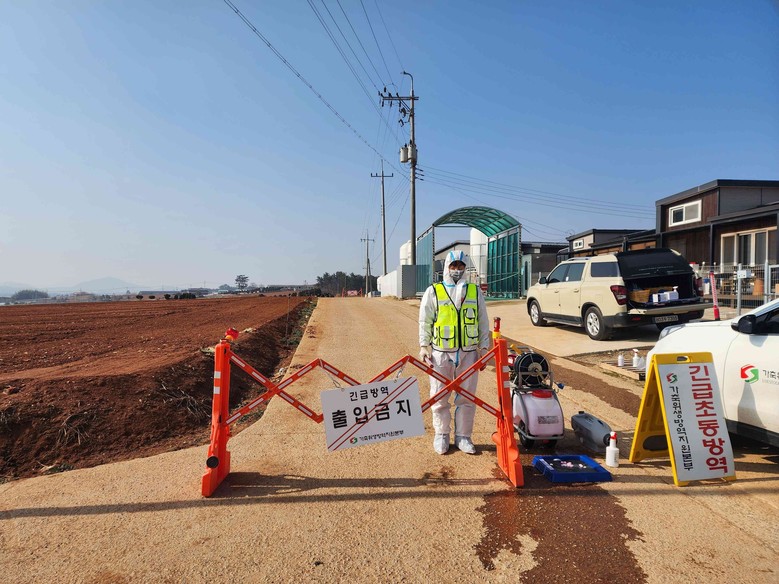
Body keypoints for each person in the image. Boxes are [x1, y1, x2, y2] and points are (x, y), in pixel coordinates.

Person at [418, 249, 490, 454]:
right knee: (440, 395)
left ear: (465, 268)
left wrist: (484, 347)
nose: (457, 270)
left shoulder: (475, 292)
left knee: (466, 397)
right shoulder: (434, 291)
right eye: (453, 266)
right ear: (446, 268)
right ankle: (441, 435)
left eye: (461, 266)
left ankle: (463, 437)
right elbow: (425, 321)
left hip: (468, 353)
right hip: (441, 352)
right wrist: (424, 346)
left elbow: (482, 321)